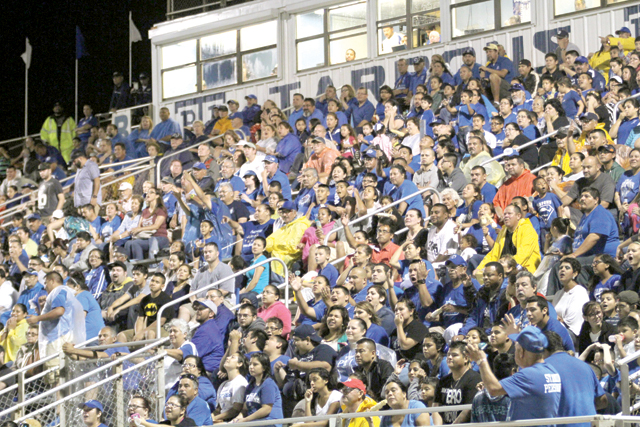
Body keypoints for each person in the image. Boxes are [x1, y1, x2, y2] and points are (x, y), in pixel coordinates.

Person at [465, 327, 561, 427]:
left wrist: (481, 361)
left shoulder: (529, 375)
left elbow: (493, 389)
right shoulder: (551, 371)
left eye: (516, 348)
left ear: (521, 352)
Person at [433, 341, 481, 424]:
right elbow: (436, 408)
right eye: (448, 354)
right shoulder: (443, 381)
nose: (449, 357)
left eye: (454, 355)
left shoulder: (474, 378)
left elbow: (468, 409)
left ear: (466, 358)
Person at [235, 353, 283, 427]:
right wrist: (238, 418)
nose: (251, 367)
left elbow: (266, 409)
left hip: (269, 423)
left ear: (264, 368)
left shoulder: (268, 383)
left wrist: (246, 420)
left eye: (255, 364)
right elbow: (245, 409)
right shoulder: (250, 386)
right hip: (253, 423)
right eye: (250, 364)